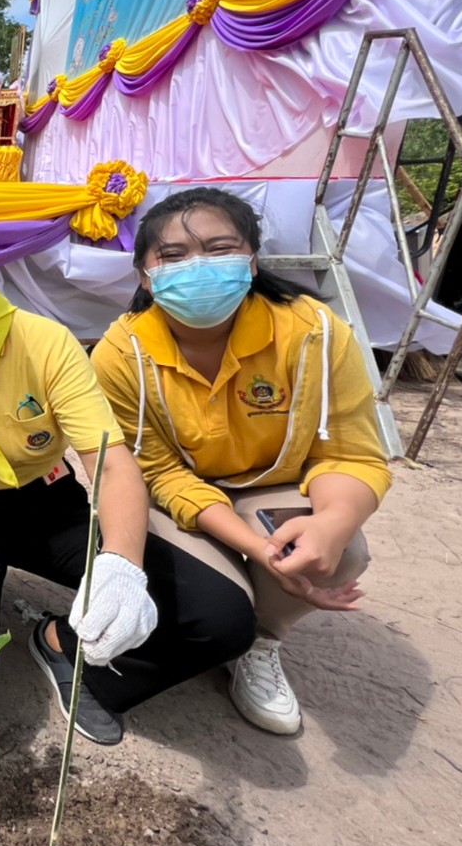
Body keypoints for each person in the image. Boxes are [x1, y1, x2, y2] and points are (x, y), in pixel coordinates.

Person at [0, 203, 255, 745]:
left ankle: (61, 648)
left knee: (223, 616)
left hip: (44, 498)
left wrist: (122, 564)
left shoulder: (43, 342)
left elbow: (110, 460)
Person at [90, 187, 390, 735]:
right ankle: (237, 612)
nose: (198, 266)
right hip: (179, 493)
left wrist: (331, 521)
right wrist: (257, 548)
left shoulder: (314, 333)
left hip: (272, 486)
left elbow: (350, 451)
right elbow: (155, 472)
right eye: (174, 255)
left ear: (251, 260)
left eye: (219, 248)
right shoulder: (120, 354)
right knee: (216, 599)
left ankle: (262, 642)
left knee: (341, 552)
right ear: (144, 275)